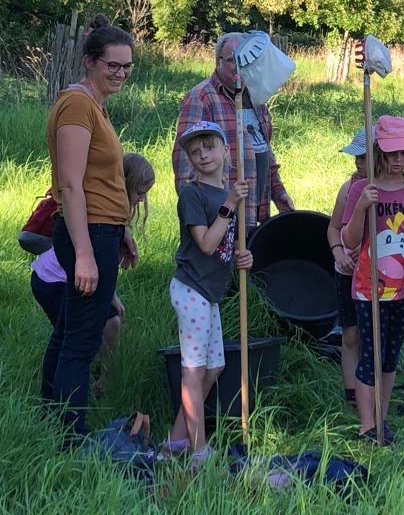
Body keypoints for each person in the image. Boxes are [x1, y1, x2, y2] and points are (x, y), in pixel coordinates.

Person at [42, 14, 139, 438]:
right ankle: (70, 437)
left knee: (69, 329)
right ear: (89, 62)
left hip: (103, 230)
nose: (120, 73)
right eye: (112, 65)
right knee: (82, 342)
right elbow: (70, 183)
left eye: (126, 66)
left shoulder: (95, 105)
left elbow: (104, 180)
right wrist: (84, 253)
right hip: (87, 233)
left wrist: (124, 229)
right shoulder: (78, 105)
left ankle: (49, 418)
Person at [161, 121, 253, 468]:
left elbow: (229, 247)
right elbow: (207, 243)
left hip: (211, 293)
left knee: (215, 367)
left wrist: (246, 256)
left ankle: (174, 442)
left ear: (225, 149)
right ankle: (198, 451)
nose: (203, 156)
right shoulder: (193, 194)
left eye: (209, 147)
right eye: (195, 152)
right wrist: (229, 204)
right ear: (189, 158)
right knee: (194, 371)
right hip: (191, 289)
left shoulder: (228, 191)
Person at [31, 153, 154, 396]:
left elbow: (103, 267)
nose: (142, 199)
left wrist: (111, 295)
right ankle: (85, 389)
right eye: (140, 191)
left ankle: (57, 396)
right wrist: (111, 297)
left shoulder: (112, 212)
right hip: (53, 280)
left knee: (75, 333)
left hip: (53, 277)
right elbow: (95, 262)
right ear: (125, 184)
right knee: (81, 336)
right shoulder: (105, 214)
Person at [342, 115, 404, 445]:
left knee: (390, 354)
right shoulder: (360, 190)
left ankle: (380, 420)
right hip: (369, 288)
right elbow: (350, 240)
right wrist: (362, 207)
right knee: (371, 355)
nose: (398, 159)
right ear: (378, 151)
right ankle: (367, 427)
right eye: (392, 152)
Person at [172, 33, 294, 231]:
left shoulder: (256, 98)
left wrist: (279, 194)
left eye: (245, 61)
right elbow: (184, 165)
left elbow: (265, 151)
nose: (239, 67)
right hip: (220, 218)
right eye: (232, 61)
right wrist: (202, 222)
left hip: (252, 214)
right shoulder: (201, 98)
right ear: (218, 61)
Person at [327, 127, 369, 407]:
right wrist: (338, 252)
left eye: (364, 157)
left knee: (375, 332)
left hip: (379, 274)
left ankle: (373, 386)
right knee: (351, 332)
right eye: (356, 157)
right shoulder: (348, 187)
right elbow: (332, 227)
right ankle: (351, 392)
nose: (357, 162)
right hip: (348, 272)